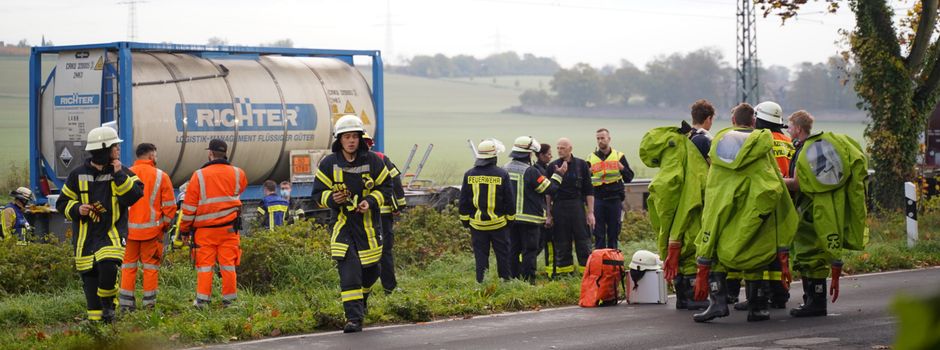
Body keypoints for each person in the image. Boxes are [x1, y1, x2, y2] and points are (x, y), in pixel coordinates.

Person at [691, 122, 797, 323]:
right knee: (756, 262)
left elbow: (715, 208)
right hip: (757, 235)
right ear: (753, 122)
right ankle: (758, 307)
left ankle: (718, 303)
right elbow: (780, 198)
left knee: (717, 259)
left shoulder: (722, 162)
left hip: (728, 238)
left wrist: (704, 256)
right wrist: (782, 246)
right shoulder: (763, 155)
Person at [311, 115, 392, 333]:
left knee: (372, 270)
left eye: (355, 136)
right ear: (339, 139)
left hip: (368, 226)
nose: (351, 141)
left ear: (360, 138)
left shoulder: (374, 161)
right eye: (346, 137)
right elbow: (317, 194)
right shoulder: (329, 163)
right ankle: (354, 319)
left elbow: (386, 188)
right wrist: (332, 199)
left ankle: (362, 299)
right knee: (349, 272)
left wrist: (370, 201)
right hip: (342, 225)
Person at [783, 110, 868, 318]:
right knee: (812, 254)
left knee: (811, 255)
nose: (788, 130)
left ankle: (816, 302)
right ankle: (811, 300)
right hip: (817, 208)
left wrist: (778, 180)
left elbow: (797, 184)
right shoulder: (816, 147)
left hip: (809, 210)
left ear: (798, 129)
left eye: (790, 126)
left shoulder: (804, 151)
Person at [56, 126, 143, 323]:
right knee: (91, 282)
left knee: (108, 266)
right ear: (104, 150)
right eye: (115, 146)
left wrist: (119, 175)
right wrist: (77, 209)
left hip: (112, 234)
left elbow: (134, 196)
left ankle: (108, 307)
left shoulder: (121, 172)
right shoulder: (77, 174)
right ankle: (98, 324)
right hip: (85, 240)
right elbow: (62, 203)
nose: (118, 149)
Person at [640, 121, 709, 310]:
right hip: (689, 209)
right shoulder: (687, 152)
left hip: (668, 212)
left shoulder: (671, 154)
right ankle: (693, 297)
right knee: (690, 246)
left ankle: (682, 297)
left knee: (676, 248)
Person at [179, 139, 247, 308]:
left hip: (205, 232)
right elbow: (240, 190)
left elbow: (189, 208)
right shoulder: (238, 173)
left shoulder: (199, 176)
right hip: (229, 230)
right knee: (228, 266)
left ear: (210, 153)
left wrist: (184, 230)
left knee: (205, 267)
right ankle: (230, 302)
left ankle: (202, 302)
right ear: (225, 153)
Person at [120, 143, 176, 311]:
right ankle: (149, 305)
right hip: (152, 232)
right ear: (151, 156)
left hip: (128, 232)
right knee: (150, 268)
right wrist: (163, 226)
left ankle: (126, 305)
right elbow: (170, 207)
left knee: (128, 267)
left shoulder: (125, 174)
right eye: (155, 155)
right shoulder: (161, 176)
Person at [504, 136, 563, 282]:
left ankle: (513, 279)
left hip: (510, 219)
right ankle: (528, 281)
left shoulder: (505, 168)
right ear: (529, 154)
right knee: (529, 251)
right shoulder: (531, 171)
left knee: (513, 250)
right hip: (530, 220)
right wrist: (558, 175)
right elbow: (549, 188)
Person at [459, 139, 516, 283]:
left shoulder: (469, 174)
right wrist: (510, 220)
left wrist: (466, 221)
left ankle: (482, 283)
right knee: (503, 255)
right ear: (494, 156)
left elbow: (464, 201)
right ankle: (505, 282)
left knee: (481, 257)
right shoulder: (502, 174)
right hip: (499, 224)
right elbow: (509, 200)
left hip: (477, 225)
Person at [363, 132, 407, 294]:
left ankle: (362, 287)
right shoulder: (381, 158)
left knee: (362, 250)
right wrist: (398, 206)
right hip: (383, 213)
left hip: (361, 214)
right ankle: (389, 288)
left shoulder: (348, 163)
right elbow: (395, 182)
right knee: (385, 251)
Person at [723, 103, 755, 307]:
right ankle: (757, 301)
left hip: (731, 202)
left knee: (730, 247)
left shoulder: (725, 141)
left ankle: (730, 294)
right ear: (753, 121)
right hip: (755, 204)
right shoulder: (762, 141)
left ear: (733, 120)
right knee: (755, 250)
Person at [546, 138, 592, 276]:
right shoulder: (552, 166)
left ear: (570, 149)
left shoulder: (581, 165)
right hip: (559, 206)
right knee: (561, 241)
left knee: (583, 240)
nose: (559, 151)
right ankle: (564, 274)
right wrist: (549, 214)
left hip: (577, 206)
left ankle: (586, 272)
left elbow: (589, 190)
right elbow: (548, 193)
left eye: (562, 148)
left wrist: (591, 212)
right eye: (558, 148)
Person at [588, 128, 634, 249]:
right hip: (598, 199)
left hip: (614, 199)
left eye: (602, 138)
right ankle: (600, 258)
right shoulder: (591, 158)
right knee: (598, 233)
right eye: (598, 138)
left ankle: (613, 258)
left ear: (609, 139)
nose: (600, 141)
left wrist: (622, 168)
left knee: (614, 232)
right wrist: (588, 172)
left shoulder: (618, 156)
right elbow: (585, 181)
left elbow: (629, 177)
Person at [534, 143, 556, 277]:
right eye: (548, 154)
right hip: (542, 213)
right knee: (540, 244)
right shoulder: (538, 171)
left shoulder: (544, 168)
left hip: (544, 212)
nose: (551, 156)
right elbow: (549, 190)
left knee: (547, 244)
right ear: (541, 155)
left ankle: (551, 271)